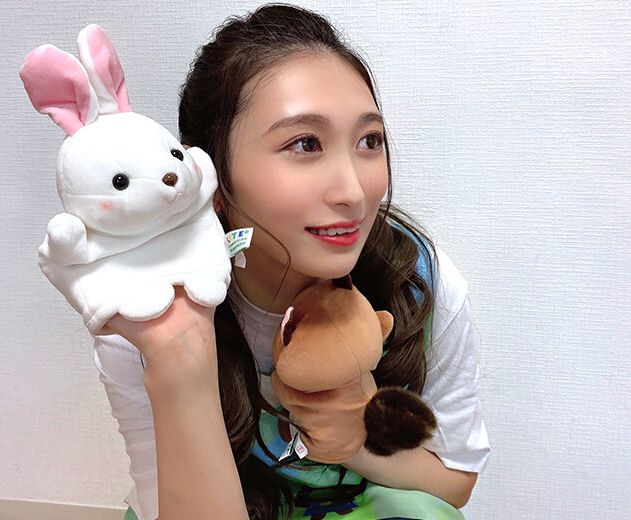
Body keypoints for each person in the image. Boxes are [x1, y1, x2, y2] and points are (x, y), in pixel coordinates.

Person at [95, 4, 490, 519]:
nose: (354, 192)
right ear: (208, 177)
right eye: (305, 144)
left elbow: (455, 482)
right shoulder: (148, 314)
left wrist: (356, 442)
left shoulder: (417, 284)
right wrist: (180, 364)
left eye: (369, 141)